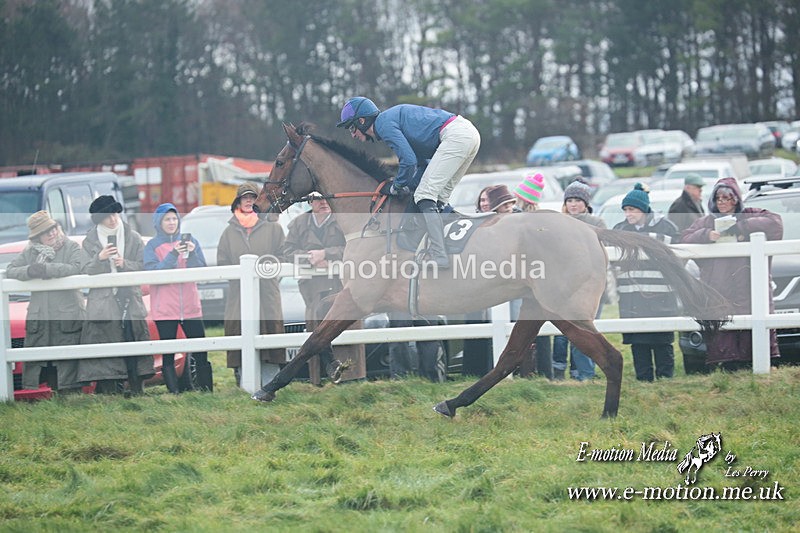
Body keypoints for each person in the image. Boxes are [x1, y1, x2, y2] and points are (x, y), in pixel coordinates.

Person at [337, 96, 481, 268]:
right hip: (467, 134)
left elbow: (408, 161)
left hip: (455, 136)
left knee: (424, 195)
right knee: (438, 198)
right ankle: (450, 249)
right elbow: (421, 164)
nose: (352, 134)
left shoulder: (383, 124)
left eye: (352, 127)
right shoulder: (390, 121)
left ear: (362, 121)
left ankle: (440, 256)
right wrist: (407, 185)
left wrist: (396, 186)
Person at [681, 177, 783, 370]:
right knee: (724, 335)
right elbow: (685, 238)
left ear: (736, 199)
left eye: (728, 198)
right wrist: (706, 235)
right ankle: (728, 368)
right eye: (719, 198)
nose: (723, 202)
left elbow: (775, 224)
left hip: (750, 289)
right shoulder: (706, 222)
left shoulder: (752, 214)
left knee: (753, 333)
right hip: (719, 290)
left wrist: (741, 226)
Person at [281, 193, 366, 384]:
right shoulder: (298, 224)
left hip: (341, 286)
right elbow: (287, 252)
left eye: (325, 198)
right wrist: (309, 259)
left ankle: (350, 379)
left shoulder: (344, 220)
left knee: (345, 329)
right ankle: (318, 381)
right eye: (318, 199)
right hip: (312, 290)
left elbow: (354, 247)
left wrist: (326, 254)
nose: (323, 202)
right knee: (317, 332)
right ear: (310, 202)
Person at [79, 195, 153, 395]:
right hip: (103, 303)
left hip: (130, 298)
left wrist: (124, 264)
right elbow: (84, 268)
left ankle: (138, 391)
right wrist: (100, 258)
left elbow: (146, 265)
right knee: (107, 345)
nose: (113, 219)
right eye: (107, 216)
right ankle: (111, 393)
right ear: (99, 219)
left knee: (135, 341)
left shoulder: (133, 236)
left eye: (114, 214)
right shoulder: (90, 240)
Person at [5, 211, 84, 392]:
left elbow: (76, 267)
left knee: (69, 366)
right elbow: (11, 270)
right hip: (41, 318)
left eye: (53, 228)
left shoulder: (72, 247)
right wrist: (31, 271)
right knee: (45, 367)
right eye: (45, 231)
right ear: (37, 237)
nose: (51, 233)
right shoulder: (30, 252)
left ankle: (73, 404)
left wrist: (46, 269)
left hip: (68, 316)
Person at [218, 182, 286, 386]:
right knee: (239, 332)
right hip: (239, 297)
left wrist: (266, 270)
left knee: (270, 334)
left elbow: (283, 256)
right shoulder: (228, 233)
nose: (248, 201)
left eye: (253, 197)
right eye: (244, 197)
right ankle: (243, 381)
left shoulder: (273, 228)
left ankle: (270, 384)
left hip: (267, 294)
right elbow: (222, 263)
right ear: (237, 202)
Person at [612, 183, 679, 382]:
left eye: (631, 209)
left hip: (660, 291)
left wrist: (635, 241)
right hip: (631, 292)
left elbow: (674, 246)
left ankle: (665, 377)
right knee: (638, 339)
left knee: (661, 338)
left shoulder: (667, 226)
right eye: (625, 210)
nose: (628, 214)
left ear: (643, 209)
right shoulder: (620, 228)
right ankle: (644, 378)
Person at [144, 203, 212, 393]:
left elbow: (201, 271)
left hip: (190, 307)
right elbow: (153, 272)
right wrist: (173, 254)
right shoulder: (152, 246)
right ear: (159, 222)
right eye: (167, 219)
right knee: (168, 354)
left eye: (174, 218)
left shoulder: (192, 242)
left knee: (201, 351)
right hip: (165, 309)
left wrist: (190, 254)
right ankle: (174, 394)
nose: (172, 222)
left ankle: (207, 391)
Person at [553, 179, 606, 381]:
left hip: (589, 285)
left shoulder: (597, 223)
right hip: (563, 286)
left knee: (584, 330)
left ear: (586, 203)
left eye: (577, 200)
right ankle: (558, 373)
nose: (573, 204)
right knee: (562, 330)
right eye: (570, 200)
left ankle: (584, 375)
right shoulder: (558, 223)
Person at [510, 172, 552, 378]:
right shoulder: (541, 221)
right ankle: (538, 371)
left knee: (520, 327)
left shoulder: (514, 220)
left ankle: (523, 370)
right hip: (537, 279)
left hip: (519, 279)